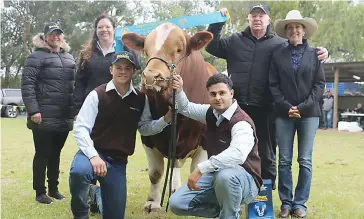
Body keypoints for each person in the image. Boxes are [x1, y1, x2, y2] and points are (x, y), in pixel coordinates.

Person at [205, 4, 329, 189]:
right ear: (248, 19)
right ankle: (231, 188)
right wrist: (217, 22)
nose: (257, 19)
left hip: (267, 109)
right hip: (237, 109)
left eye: (261, 16)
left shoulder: (279, 44)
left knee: (267, 153)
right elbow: (212, 45)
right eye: (253, 15)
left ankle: (265, 196)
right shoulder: (235, 41)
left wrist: (324, 52)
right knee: (232, 150)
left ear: (268, 20)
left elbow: (300, 52)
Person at [69, 51, 171, 219]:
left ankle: (98, 195)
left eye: (127, 67)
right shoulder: (97, 95)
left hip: (117, 162)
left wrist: (166, 119)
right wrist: (94, 156)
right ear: (111, 70)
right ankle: (80, 214)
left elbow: (144, 128)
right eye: (118, 67)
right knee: (79, 172)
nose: (122, 71)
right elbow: (80, 128)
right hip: (92, 155)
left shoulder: (140, 98)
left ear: (134, 72)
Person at [169, 73, 262, 218]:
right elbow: (185, 108)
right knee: (177, 203)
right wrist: (180, 90)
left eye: (222, 93)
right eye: (213, 94)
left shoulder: (241, 122)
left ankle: (230, 214)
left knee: (225, 176)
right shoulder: (210, 113)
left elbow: (237, 154)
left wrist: (200, 169)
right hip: (217, 176)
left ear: (231, 93)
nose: (217, 98)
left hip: (246, 182)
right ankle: (227, 214)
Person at [269, 10, 325, 218]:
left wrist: (301, 107)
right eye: (290, 27)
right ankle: (286, 202)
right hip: (284, 114)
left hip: (309, 114)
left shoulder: (315, 54)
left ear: (303, 30)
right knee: (283, 160)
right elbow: (273, 84)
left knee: (305, 160)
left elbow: (319, 84)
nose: (294, 30)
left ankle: (300, 203)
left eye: (297, 27)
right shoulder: (278, 54)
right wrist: (286, 106)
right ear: (286, 31)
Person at [21, 22, 75, 204]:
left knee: (56, 154)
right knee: (42, 153)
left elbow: (74, 87)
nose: (56, 37)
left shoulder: (69, 58)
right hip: (43, 116)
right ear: (45, 37)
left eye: (58, 33)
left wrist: (74, 110)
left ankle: (54, 189)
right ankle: (40, 192)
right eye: (52, 34)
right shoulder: (35, 57)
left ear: (62, 36)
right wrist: (33, 110)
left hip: (63, 116)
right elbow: (27, 85)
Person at [73, 13, 140, 119]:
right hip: (91, 107)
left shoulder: (124, 49)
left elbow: (137, 68)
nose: (104, 29)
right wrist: (78, 110)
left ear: (114, 29)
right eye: (100, 27)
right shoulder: (87, 53)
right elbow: (80, 83)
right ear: (96, 30)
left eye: (107, 27)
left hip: (119, 106)